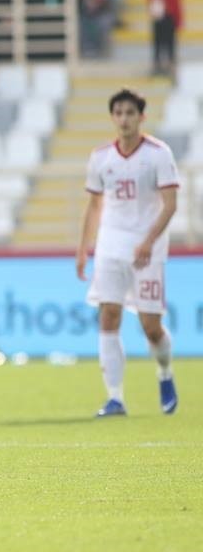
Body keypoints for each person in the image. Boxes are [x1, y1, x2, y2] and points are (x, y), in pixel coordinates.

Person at [76, 89, 179, 417]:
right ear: (112, 118)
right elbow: (93, 207)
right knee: (108, 315)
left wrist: (149, 241)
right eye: (118, 113)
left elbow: (170, 204)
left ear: (141, 117)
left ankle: (164, 372)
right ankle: (115, 397)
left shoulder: (159, 154)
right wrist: (83, 250)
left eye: (129, 113)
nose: (123, 119)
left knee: (151, 326)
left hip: (147, 250)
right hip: (110, 246)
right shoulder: (101, 157)